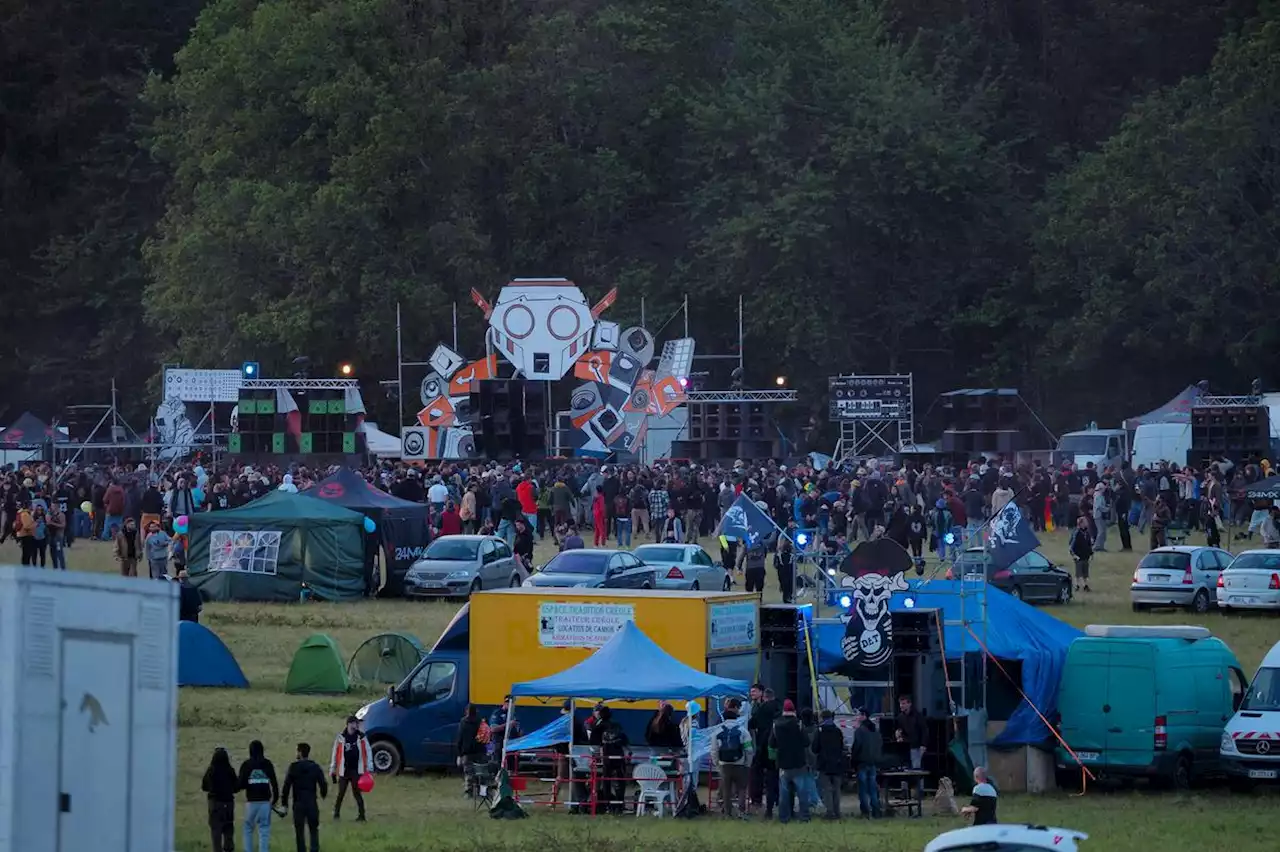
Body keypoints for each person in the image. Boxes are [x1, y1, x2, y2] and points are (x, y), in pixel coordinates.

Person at [769, 699, 813, 823]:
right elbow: (806, 742)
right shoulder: (799, 724)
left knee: (784, 794)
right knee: (802, 793)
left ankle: (784, 817)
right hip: (799, 763)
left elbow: (772, 744)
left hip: (783, 763)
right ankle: (804, 817)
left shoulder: (776, 725)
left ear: (783, 711)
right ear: (794, 710)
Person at [282, 742, 328, 852]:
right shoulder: (315, 767)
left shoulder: (293, 767)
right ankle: (314, 849)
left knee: (299, 831)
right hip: (311, 801)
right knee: (313, 829)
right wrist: (323, 793)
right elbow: (323, 783)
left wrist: (284, 803)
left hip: (298, 803)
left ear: (300, 752)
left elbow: (286, 786)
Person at [712, 701, 751, 818]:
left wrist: (717, 764)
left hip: (724, 764)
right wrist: (747, 764)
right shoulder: (743, 731)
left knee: (726, 790)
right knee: (741, 788)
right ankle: (742, 811)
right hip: (740, 763)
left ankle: (727, 813)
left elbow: (714, 750)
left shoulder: (717, 731)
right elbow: (749, 749)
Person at [238, 740, 279, 852]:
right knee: (264, 831)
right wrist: (274, 799)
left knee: (248, 829)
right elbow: (274, 783)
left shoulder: (246, 765)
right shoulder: (267, 764)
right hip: (265, 802)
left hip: (251, 802)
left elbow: (240, 785)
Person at [328, 716, 370, 822]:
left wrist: (369, 767)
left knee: (357, 793)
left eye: (356, 724)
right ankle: (336, 814)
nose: (355, 726)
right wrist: (332, 768)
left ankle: (362, 815)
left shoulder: (361, 737)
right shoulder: (341, 737)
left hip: (356, 770)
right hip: (344, 770)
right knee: (341, 793)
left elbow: (368, 751)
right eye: (353, 723)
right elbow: (335, 753)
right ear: (348, 724)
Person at [202, 747, 239, 852]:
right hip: (228, 803)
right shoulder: (230, 770)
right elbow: (236, 787)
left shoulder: (211, 770)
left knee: (216, 832)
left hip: (215, 804)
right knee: (228, 829)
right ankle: (229, 848)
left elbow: (204, 786)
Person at [812, 709, 846, 820]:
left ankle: (829, 812)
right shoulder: (838, 731)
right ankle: (837, 812)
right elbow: (842, 747)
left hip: (824, 764)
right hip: (837, 764)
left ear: (822, 718)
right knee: (836, 789)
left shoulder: (820, 731)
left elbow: (814, 748)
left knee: (826, 789)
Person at [850, 710, 882, 819]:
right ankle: (876, 810)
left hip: (861, 763)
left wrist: (853, 760)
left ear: (863, 716)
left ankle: (865, 811)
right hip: (872, 763)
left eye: (858, 714)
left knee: (863, 789)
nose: (857, 717)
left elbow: (856, 747)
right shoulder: (875, 731)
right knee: (873, 788)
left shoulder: (860, 731)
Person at [894, 695, 927, 802]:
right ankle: (904, 791)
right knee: (903, 768)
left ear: (909, 703)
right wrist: (898, 736)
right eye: (900, 704)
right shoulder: (900, 717)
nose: (902, 706)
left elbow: (924, 731)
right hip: (905, 747)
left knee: (917, 769)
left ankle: (919, 791)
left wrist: (923, 745)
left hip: (916, 746)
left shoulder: (917, 716)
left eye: (904, 703)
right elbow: (898, 730)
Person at [455, 704, 488, 797]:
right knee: (481, 772)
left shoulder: (463, 722)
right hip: (480, 751)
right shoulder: (481, 722)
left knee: (469, 773)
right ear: (476, 711)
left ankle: (469, 792)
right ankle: (482, 792)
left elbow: (460, 738)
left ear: (466, 711)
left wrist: (459, 754)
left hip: (467, 752)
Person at [1069, 514, 1094, 593]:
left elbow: (1089, 545)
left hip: (1085, 556)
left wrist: (1091, 553)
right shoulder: (1077, 533)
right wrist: (1074, 555)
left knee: (1085, 572)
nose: (1087, 523)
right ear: (1081, 524)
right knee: (1079, 572)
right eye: (1085, 522)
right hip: (1078, 556)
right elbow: (1072, 547)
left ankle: (1080, 585)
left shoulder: (1087, 533)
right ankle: (1082, 586)